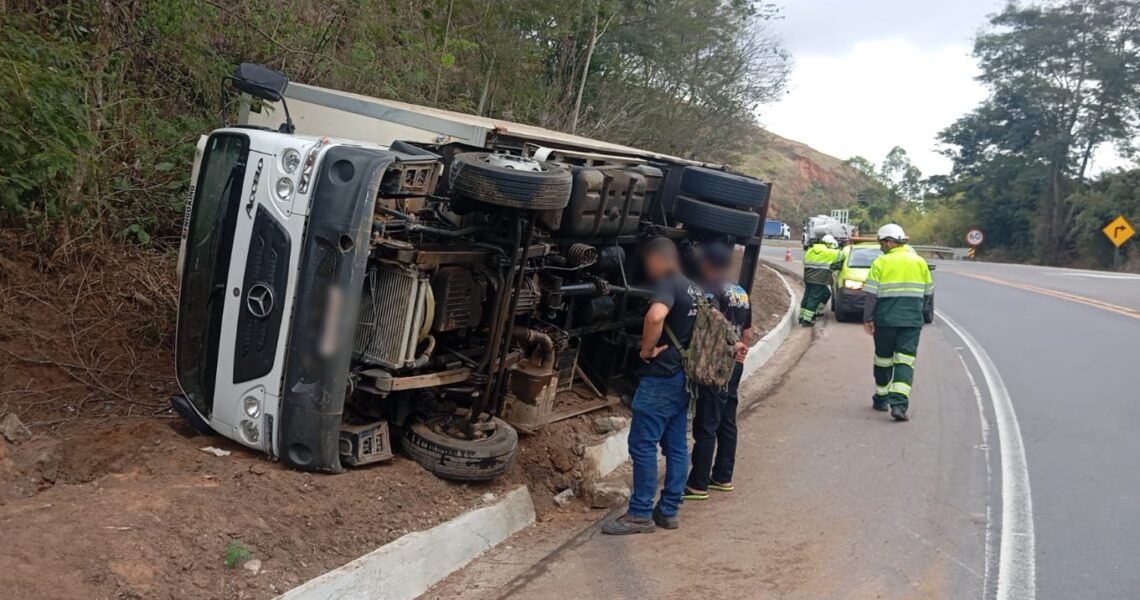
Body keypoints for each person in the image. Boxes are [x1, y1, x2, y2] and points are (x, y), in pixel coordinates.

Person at [603, 237, 701, 535]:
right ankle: (669, 510)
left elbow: (655, 315)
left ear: (659, 260)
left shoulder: (668, 284)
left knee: (643, 445)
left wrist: (646, 349)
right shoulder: (694, 288)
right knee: (676, 445)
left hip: (661, 377)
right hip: (685, 377)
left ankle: (640, 514)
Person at [684, 242, 751, 501]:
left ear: (707, 264)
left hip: (715, 365)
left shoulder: (710, 291)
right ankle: (723, 476)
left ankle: (697, 483)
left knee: (706, 424)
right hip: (736, 363)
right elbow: (747, 331)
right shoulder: (742, 292)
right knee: (727, 420)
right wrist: (740, 352)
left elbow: (707, 326)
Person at [862, 224, 934, 422]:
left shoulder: (881, 262)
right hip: (911, 322)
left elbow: (871, 295)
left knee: (883, 360)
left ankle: (881, 398)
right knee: (905, 361)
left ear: (889, 241)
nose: (880, 247)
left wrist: (868, 318)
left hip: (885, 320)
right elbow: (928, 293)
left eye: (881, 243)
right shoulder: (920, 262)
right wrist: (917, 313)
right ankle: (899, 406)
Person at [800, 232, 841, 326]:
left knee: (811, 295)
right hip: (819, 279)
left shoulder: (811, 249)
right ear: (830, 244)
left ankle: (803, 316)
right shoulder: (829, 252)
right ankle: (807, 320)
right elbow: (841, 255)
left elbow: (804, 262)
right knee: (814, 298)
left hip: (808, 277)